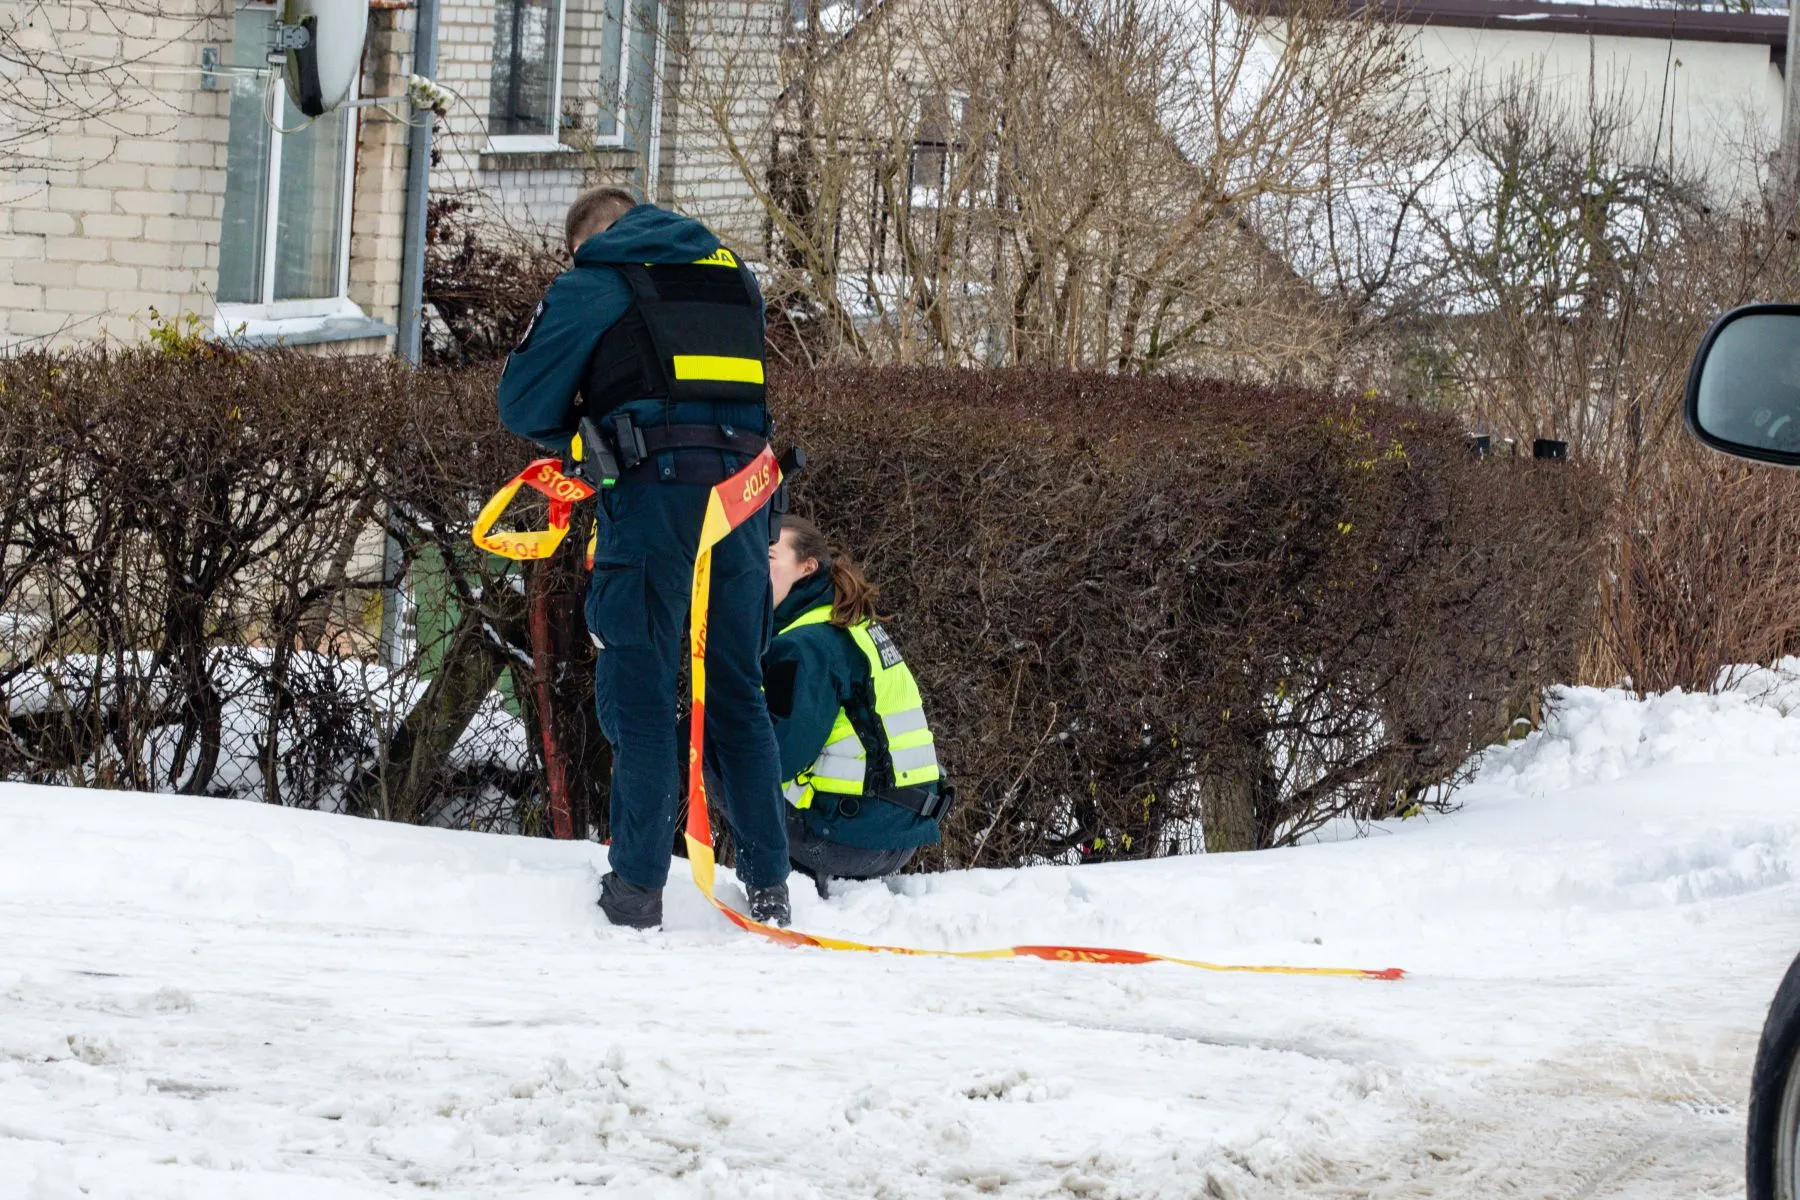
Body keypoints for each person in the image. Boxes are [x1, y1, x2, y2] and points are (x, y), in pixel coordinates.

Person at [496, 186, 791, 929]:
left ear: (589, 240)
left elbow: (523, 403)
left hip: (655, 503)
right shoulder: (735, 279)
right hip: (745, 505)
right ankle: (770, 888)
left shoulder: (596, 280)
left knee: (645, 689)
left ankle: (635, 890)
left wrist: (585, 425)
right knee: (735, 690)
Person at [764, 516, 948, 896]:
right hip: (895, 833)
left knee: (721, 756)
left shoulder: (807, 643)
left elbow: (778, 757)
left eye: (768, 557)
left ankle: (770, 882)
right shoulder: (846, 623)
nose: (753, 567)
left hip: (850, 842)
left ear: (807, 567)